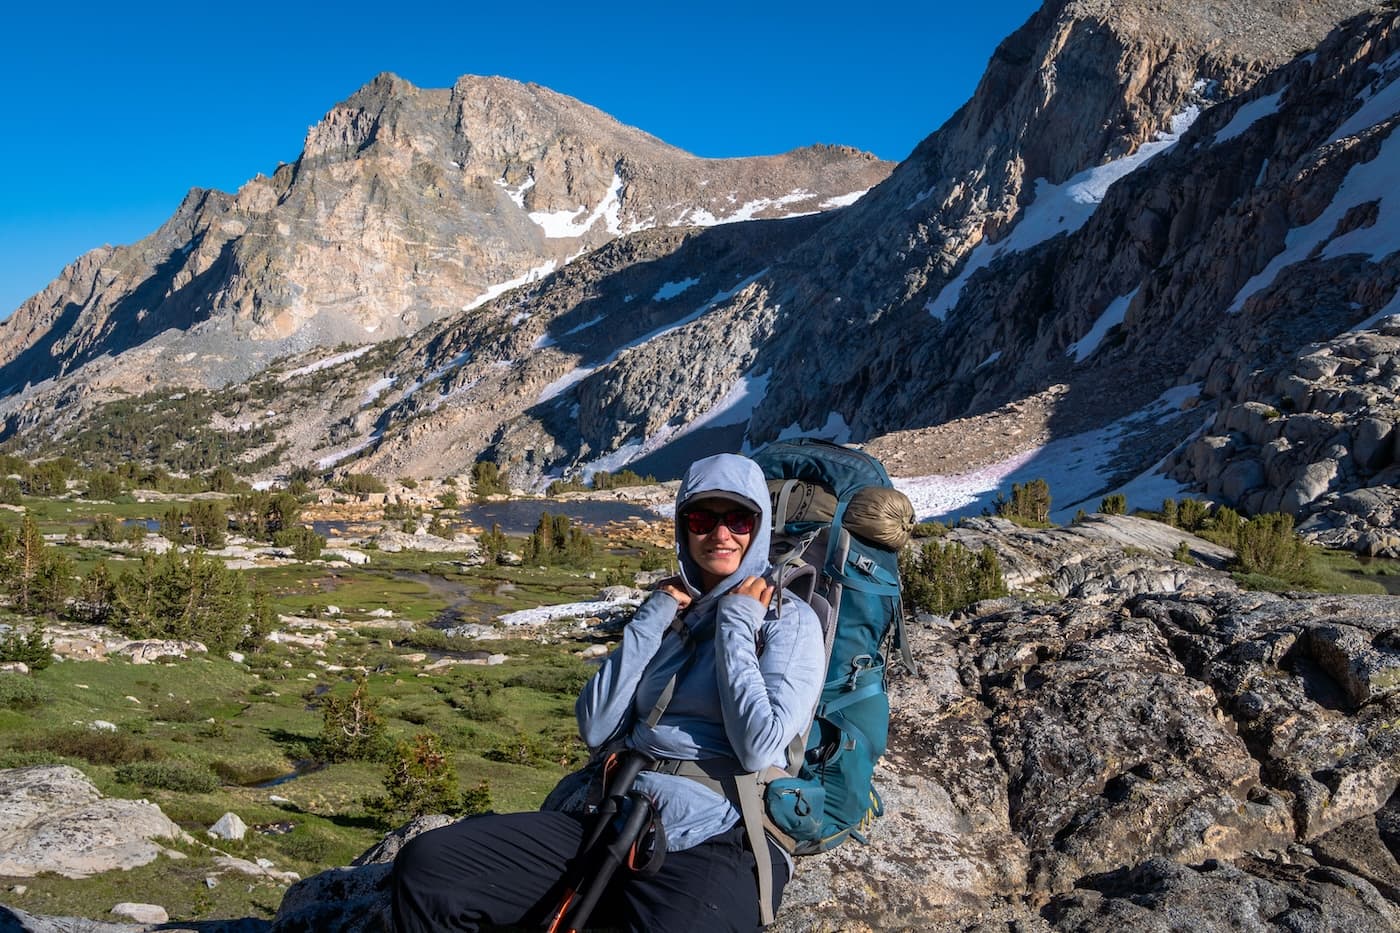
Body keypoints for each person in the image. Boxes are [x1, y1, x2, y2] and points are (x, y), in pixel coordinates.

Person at [391, 452, 825, 931]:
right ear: (683, 527)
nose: (720, 534)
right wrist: (650, 620)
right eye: (703, 518)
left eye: (739, 519)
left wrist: (737, 628)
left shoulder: (789, 621)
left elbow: (758, 746)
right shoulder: (674, 611)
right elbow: (597, 728)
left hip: (717, 833)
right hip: (617, 810)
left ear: (759, 526)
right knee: (431, 868)